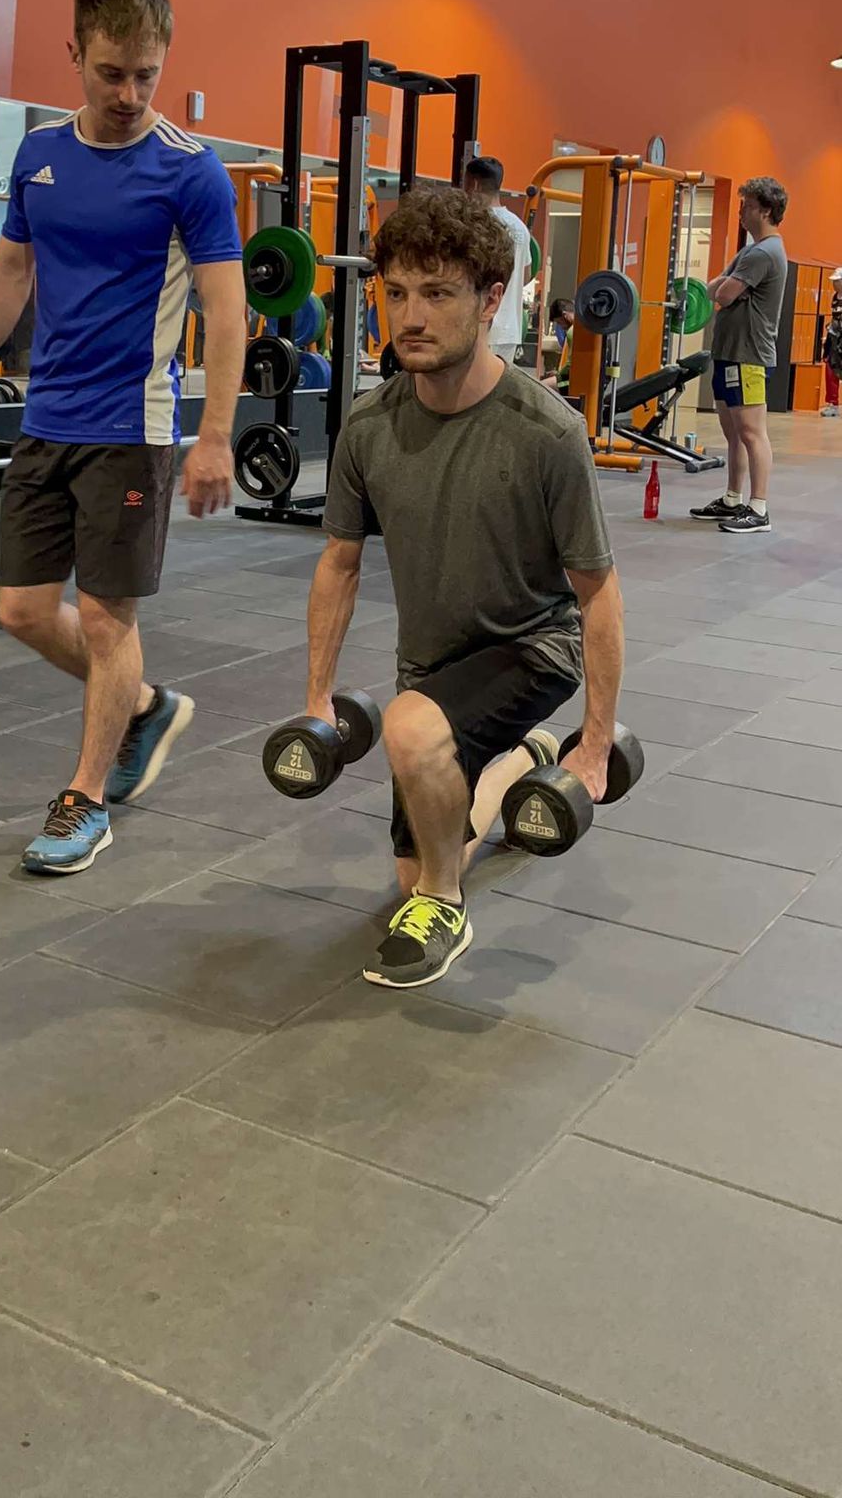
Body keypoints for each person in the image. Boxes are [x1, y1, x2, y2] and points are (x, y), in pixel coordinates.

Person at [0, 0, 246, 874]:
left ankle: (85, 800)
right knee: (23, 610)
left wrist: (217, 433)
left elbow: (228, 312)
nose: (129, 96)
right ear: (74, 55)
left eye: (146, 76)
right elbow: (9, 271)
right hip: (46, 418)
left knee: (110, 620)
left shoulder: (190, 171)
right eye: (112, 73)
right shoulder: (39, 154)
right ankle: (144, 705)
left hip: (133, 423)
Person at [306, 187, 623, 990]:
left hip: (536, 645)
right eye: (397, 293)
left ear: (489, 301)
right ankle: (519, 766)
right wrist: (316, 700)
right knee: (410, 866)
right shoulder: (370, 426)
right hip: (434, 663)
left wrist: (595, 743)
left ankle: (447, 908)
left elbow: (597, 593)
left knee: (413, 738)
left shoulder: (549, 433)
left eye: (437, 293)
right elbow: (340, 563)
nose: (410, 316)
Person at [691, 176, 788, 536]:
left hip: (748, 354)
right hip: (729, 352)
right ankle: (732, 498)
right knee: (732, 432)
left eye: (746, 206)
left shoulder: (764, 253)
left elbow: (724, 294)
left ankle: (759, 508)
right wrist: (725, 286)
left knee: (751, 432)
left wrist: (727, 287)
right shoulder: (750, 250)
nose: (740, 212)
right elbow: (713, 286)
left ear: (764, 209)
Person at [463, 155, 533, 367]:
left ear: (473, 184)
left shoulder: (475, 224)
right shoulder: (520, 227)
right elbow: (526, 275)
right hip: (509, 331)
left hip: (479, 327)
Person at [821, 267, 842, 417]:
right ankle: (832, 403)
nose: (834, 284)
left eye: (837, 281)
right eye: (834, 281)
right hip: (834, 338)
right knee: (830, 368)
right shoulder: (835, 297)